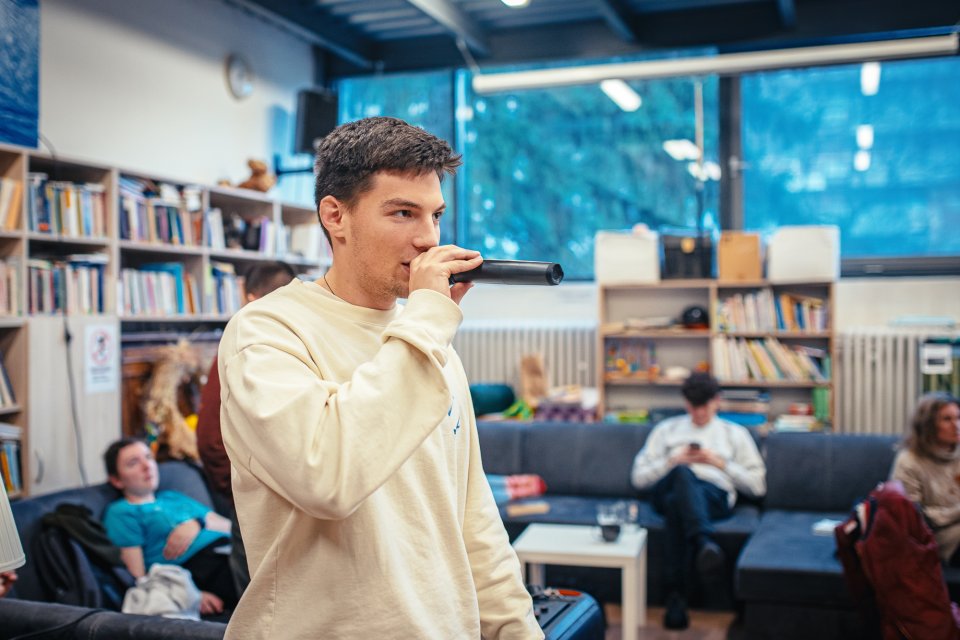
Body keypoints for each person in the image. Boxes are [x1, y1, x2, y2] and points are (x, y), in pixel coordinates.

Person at [217, 116, 542, 639]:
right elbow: (328, 478)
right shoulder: (266, 332)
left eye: (435, 215)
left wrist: (518, 630)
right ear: (336, 217)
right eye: (403, 213)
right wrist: (429, 319)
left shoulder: (428, 339)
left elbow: (472, 516)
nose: (428, 238)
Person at [631, 372, 766, 630]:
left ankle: (675, 600)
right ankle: (703, 541)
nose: (699, 413)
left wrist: (719, 463)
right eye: (693, 406)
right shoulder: (666, 430)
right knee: (682, 474)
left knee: (677, 505)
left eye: (704, 406)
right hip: (669, 485)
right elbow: (638, 478)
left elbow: (758, 487)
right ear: (685, 403)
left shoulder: (734, 434)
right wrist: (672, 461)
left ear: (717, 401)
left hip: (713, 495)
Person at [196, 260, 295, 597]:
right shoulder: (255, 341)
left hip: (268, 495)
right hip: (276, 493)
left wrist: (238, 487)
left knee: (260, 599)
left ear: (249, 295)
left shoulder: (245, 340)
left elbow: (210, 437)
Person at [102, 438, 237, 615]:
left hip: (233, 549)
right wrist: (192, 595)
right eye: (133, 463)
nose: (147, 466)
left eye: (148, 457)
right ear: (116, 480)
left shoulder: (172, 497)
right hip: (202, 568)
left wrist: (196, 524)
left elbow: (229, 526)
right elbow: (138, 577)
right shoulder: (122, 512)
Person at [890, 392, 960, 564]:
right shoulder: (909, 461)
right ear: (928, 425)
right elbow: (914, 519)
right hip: (937, 537)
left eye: (958, 418)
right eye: (947, 419)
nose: (957, 425)